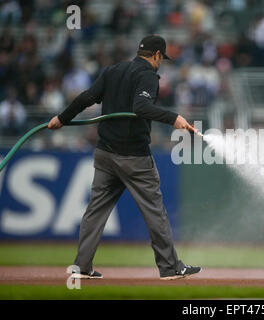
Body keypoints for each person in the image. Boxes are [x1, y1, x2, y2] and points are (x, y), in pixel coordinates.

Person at [47, 35, 201, 280]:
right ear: (157, 55)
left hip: (105, 153)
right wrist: (174, 118)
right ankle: (170, 268)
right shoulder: (148, 75)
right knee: (154, 211)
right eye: (162, 58)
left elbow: (87, 97)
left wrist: (62, 118)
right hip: (134, 157)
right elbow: (141, 108)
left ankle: (82, 266)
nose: (161, 62)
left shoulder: (113, 70)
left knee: (95, 210)